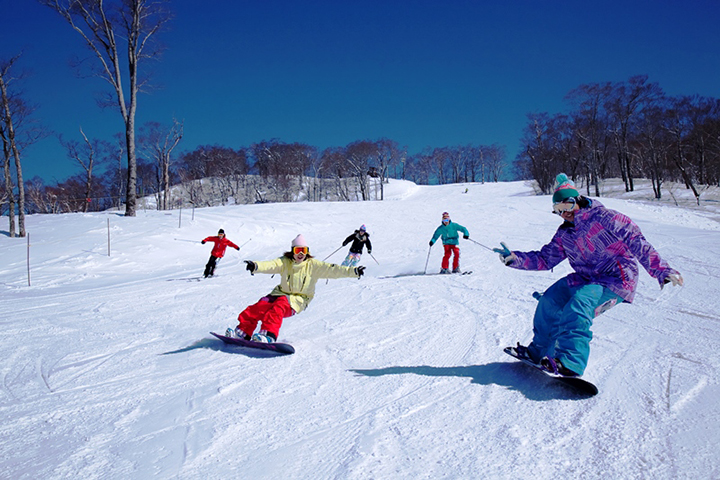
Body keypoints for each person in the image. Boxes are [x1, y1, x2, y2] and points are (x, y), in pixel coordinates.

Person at [495, 173, 684, 377]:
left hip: (617, 279)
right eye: (557, 210)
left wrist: (662, 270)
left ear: (577, 200)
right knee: (549, 300)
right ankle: (537, 352)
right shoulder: (565, 234)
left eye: (566, 206)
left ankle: (571, 361)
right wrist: (515, 258)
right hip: (586, 278)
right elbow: (545, 259)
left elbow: (637, 241)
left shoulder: (607, 218)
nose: (563, 213)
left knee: (580, 303)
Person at [226, 234, 366, 343]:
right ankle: (243, 332)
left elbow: (334, 270)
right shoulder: (285, 262)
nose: (301, 254)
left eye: (304, 250)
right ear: (292, 251)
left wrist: (354, 271)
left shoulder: (313, 266)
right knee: (259, 306)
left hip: (298, 299)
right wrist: (255, 266)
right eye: (298, 250)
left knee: (278, 308)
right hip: (280, 293)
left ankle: (268, 335)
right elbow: (271, 265)